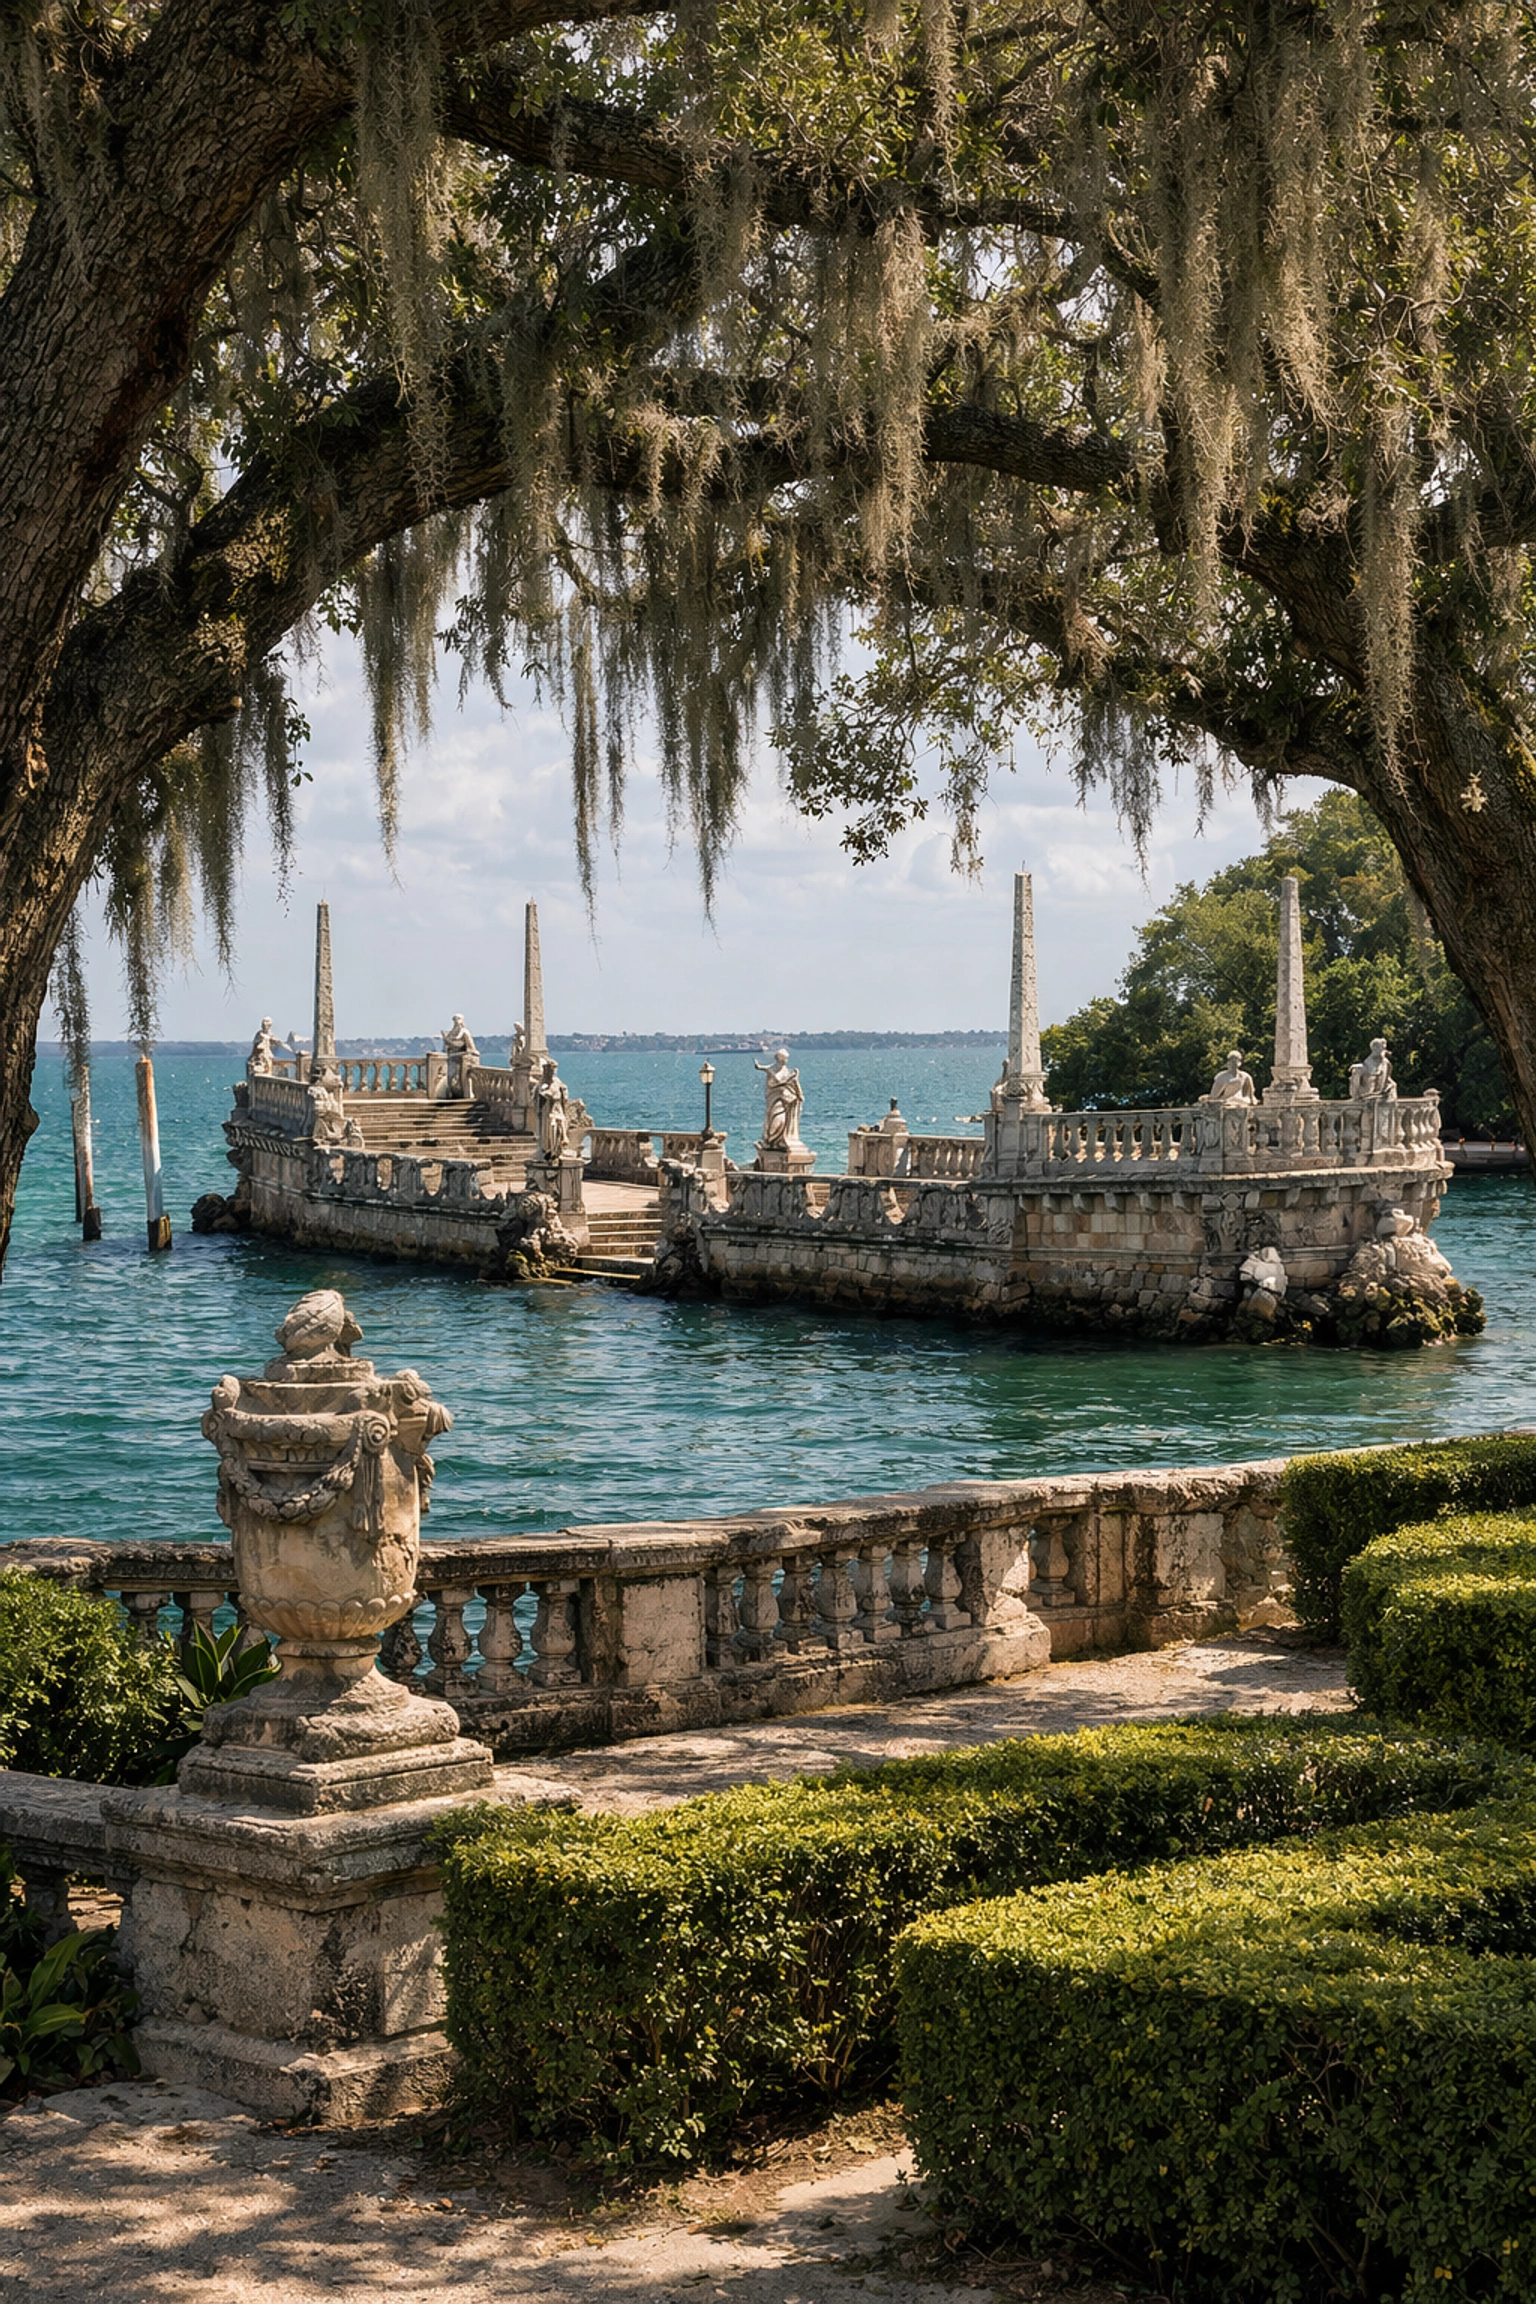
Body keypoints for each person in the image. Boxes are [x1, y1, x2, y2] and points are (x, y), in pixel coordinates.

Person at [754, 1047, 805, 1145]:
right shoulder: (771, 1069)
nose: (784, 1062)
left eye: (785, 1060)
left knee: (782, 1120)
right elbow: (761, 1068)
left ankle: (780, 1140)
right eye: (782, 1060)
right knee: (776, 1120)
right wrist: (757, 1065)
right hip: (774, 1099)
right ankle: (772, 1140)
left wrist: (799, 1093)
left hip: (786, 1098)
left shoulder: (787, 1072)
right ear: (777, 1059)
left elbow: (794, 1083)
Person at [535, 1057, 570, 1160]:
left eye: (554, 1070)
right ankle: (551, 1149)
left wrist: (564, 1092)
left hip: (558, 1108)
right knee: (552, 1126)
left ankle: (558, 1149)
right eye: (552, 1070)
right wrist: (546, 1094)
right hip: (549, 1111)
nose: (553, 1072)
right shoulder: (544, 1083)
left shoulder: (557, 1081)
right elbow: (540, 1096)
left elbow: (563, 1094)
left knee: (561, 1125)